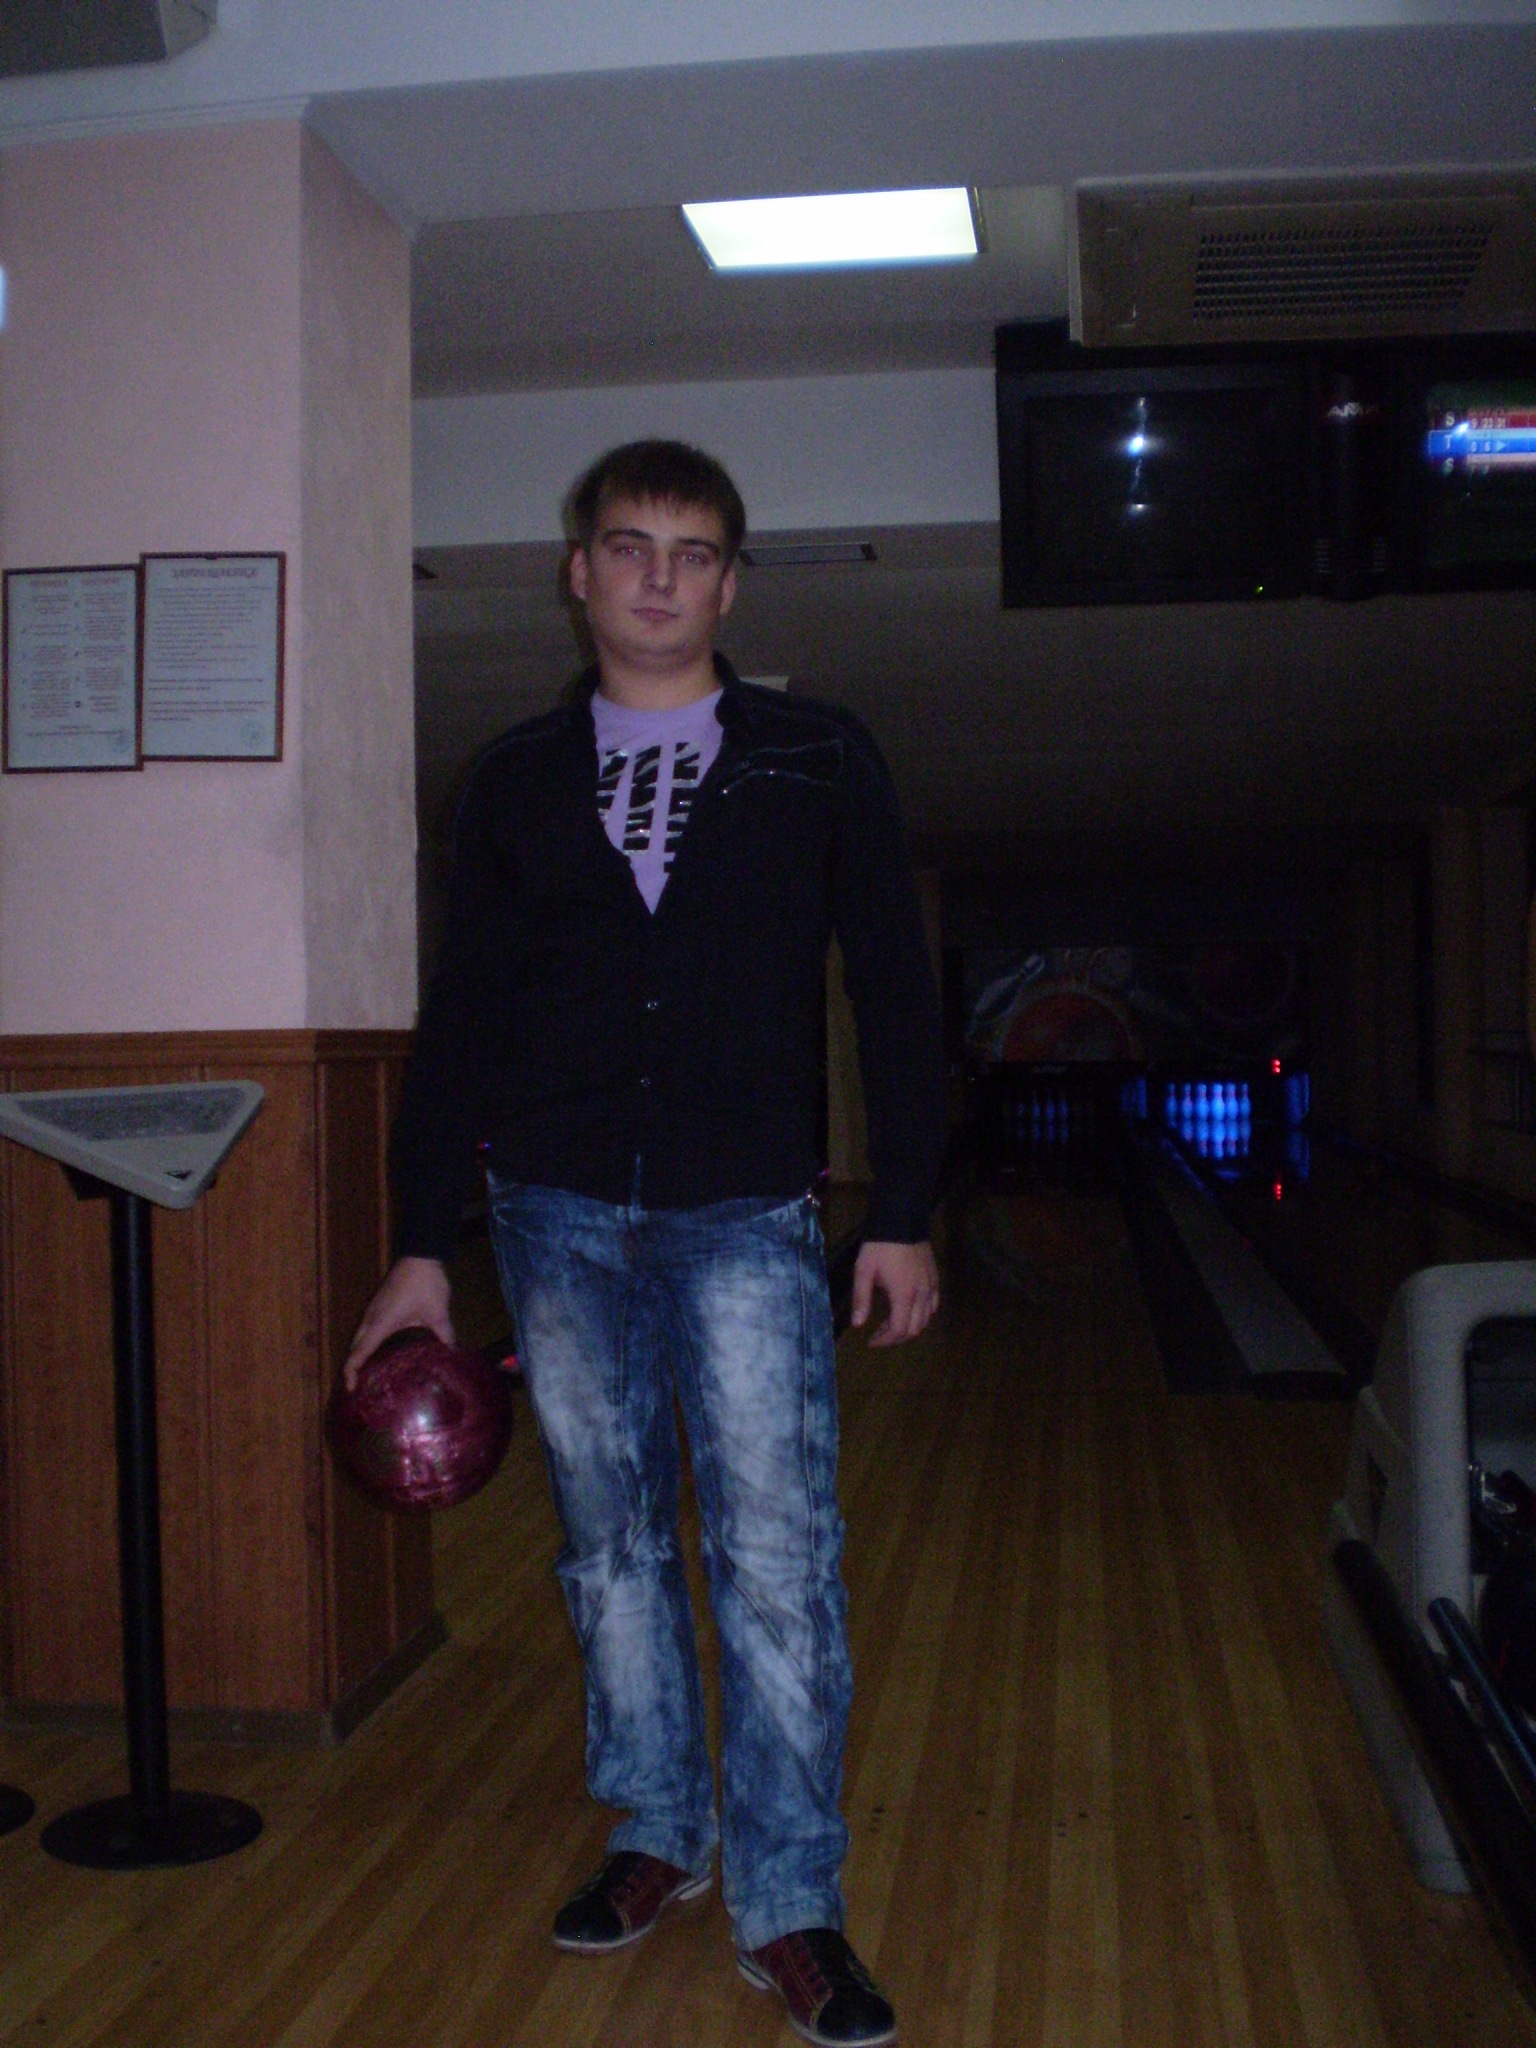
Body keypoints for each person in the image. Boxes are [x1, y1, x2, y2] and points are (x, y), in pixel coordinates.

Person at [347, 440, 945, 2048]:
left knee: (774, 1559)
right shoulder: (512, 781)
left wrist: (905, 1212)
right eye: (629, 546)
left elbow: (895, 992)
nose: (659, 577)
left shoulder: (818, 756)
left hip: (745, 1211)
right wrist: (420, 1243)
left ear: (731, 584)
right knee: (607, 1548)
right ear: (579, 572)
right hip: (553, 1214)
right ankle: (659, 1827)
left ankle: (793, 1899)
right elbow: (461, 1023)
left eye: (692, 552)